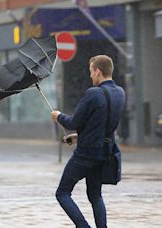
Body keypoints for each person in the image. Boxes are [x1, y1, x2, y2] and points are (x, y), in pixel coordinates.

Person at [51, 55, 125, 228]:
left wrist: (58, 116)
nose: (91, 76)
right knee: (95, 195)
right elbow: (103, 123)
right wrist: (78, 136)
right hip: (105, 153)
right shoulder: (120, 93)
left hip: (86, 154)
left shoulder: (93, 94)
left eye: (91, 71)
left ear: (98, 71)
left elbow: (73, 122)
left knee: (62, 193)